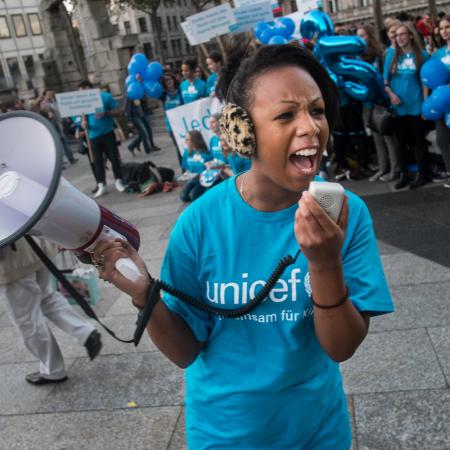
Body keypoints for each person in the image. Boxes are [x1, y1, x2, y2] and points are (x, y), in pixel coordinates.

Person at [93, 43, 394, 449]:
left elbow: (341, 347)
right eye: (286, 114)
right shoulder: (198, 224)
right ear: (241, 130)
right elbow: (185, 352)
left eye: (317, 110)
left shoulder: (343, 212)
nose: (311, 128)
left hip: (319, 433)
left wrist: (324, 262)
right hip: (224, 436)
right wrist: (145, 295)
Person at [0, 238, 102, 385]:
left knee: (27, 320)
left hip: (11, 261)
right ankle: (85, 331)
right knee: (47, 297)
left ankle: (53, 370)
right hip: (37, 246)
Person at [384, 21, 430, 189]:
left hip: (416, 105)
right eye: (397, 35)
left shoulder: (422, 55)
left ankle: (423, 174)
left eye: (403, 34)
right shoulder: (392, 56)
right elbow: (385, 81)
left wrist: (425, 103)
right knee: (401, 143)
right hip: (399, 107)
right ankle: (405, 175)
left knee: (419, 142)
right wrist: (391, 94)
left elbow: (426, 81)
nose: (399, 38)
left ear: (411, 35)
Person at [357, 24, 400, 182]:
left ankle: (395, 169)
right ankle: (383, 168)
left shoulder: (380, 55)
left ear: (370, 36)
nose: (360, 39)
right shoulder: (357, 57)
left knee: (388, 136)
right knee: (376, 138)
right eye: (358, 36)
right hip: (366, 103)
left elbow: (384, 79)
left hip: (381, 103)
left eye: (363, 35)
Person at [78, 80, 127, 198]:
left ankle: (118, 180)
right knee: (97, 162)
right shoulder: (81, 102)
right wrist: (83, 124)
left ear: (89, 89)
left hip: (108, 132)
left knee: (114, 158)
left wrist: (106, 113)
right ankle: (101, 185)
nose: (83, 95)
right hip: (93, 136)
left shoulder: (105, 97)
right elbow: (81, 119)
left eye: (84, 91)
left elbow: (119, 112)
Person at [431, 15, 450, 187]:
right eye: (442, 28)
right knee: (442, 139)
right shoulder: (437, 54)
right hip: (441, 103)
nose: (444, 31)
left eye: (447, 27)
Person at [179, 130, 212, 202]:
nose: (186, 142)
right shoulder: (187, 152)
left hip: (202, 180)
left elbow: (210, 172)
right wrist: (186, 175)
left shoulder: (205, 155)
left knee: (193, 196)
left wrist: (199, 175)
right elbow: (187, 169)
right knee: (183, 196)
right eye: (186, 140)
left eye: (188, 140)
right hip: (192, 179)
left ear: (195, 140)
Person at [161, 72, 184, 169]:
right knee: (179, 148)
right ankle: (183, 169)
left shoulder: (180, 92)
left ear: (174, 80)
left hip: (183, 124)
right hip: (172, 126)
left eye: (170, 79)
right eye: (166, 80)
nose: (168, 82)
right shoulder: (163, 95)